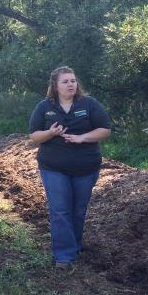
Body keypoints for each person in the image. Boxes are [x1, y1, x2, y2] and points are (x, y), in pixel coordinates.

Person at [28, 66, 111, 272]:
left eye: (73, 81)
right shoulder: (44, 107)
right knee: (60, 210)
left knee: (78, 210)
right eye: (65, 82)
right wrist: (50, 133)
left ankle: (74, 246)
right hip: (53, 167)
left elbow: (105, 130)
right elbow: (34, 136)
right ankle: (63, 256)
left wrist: (82, 138)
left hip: (86, 166)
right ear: (55, 86)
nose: (70, 84)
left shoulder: (89, 104)